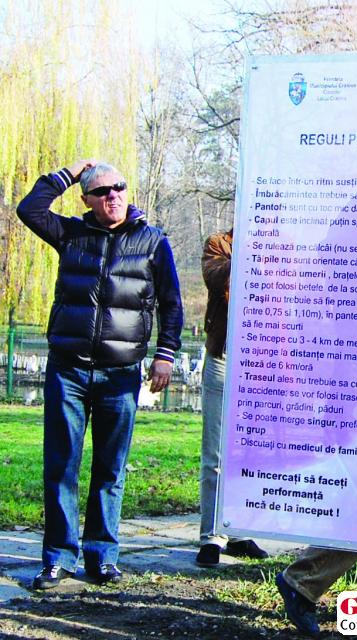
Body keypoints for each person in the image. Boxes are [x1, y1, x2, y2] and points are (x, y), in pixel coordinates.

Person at [17, 160, 183, 589]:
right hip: (68, 370)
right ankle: (58, 558)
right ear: (86, 199)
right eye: (102, 190)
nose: (113, 196)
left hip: (120, 374)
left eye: (119, 187)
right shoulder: (71, 234)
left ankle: (102, 556)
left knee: (111, 469)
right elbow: (29, 210)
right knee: (62, 466)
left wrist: (165, 354)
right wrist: (69, 172)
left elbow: (171, 303)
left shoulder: (152, 242)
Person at [196, 228, 268, 567]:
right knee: (216, 452)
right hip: (224, 357)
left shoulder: (281, 245)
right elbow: (216, 279)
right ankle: (212, 535)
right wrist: (250, 253)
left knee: (250, 453)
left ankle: (239, 531)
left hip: (261, 361)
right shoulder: (219, 244)